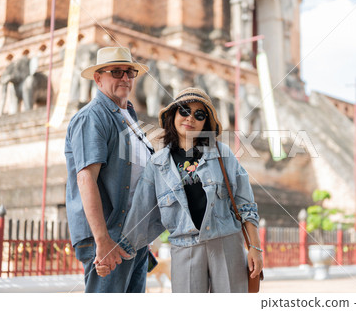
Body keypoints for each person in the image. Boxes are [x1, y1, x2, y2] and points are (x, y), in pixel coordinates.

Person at [98, 87, 263, 292]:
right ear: (173, 115)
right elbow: (140, 213)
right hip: (185, 249)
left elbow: (245, 204)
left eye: (199, 114)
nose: (190, 118)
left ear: (206, 123)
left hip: (226, 244)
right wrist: (113, 253)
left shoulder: (223, 154)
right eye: (184, 111)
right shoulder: (157, 164)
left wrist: (255, 248)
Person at [65, 47, 162, 292]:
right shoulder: (93, 117)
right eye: (116, 72)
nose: (125, 78)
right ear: (98, 78)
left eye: (130, 72)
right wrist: (102, 240)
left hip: (133, 238)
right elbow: (86, 178)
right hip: (110, 238)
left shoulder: (127, 115)